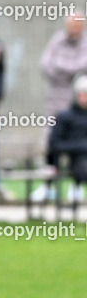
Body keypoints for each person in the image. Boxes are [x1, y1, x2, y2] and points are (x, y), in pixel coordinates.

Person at [32, 14, 87, 203]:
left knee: (79, 145)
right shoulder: (57, 41)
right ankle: (48, 186)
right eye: (73, 25)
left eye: (79, 25)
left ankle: (76, 186)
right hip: (56, 101)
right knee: (52, 144)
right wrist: (72, 71)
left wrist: (63, 70)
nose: (76, 28)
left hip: (77, 105)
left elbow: (82, 68)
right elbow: (46, 66)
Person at [47, 74, 87, 203]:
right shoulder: (65, 117)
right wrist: (80, 147)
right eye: (82, 94)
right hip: (73, 160)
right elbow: (55, 144)